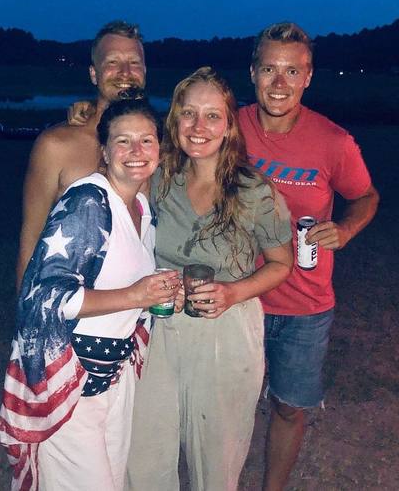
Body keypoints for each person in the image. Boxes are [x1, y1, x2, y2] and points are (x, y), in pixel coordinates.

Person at [125, 67, 294, 491]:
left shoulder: (256, 191)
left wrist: (234, 292)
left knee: (215, 463)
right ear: (174, 119)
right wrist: (88, 114)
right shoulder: (156, 178)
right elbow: (110, 149)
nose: (198, 126)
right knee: (143, 456)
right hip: (157, 327)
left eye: (212, 115)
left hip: (227, 331)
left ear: (229, 125)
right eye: (188, 113)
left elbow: (281, 264)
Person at [0, 99, 180, 491]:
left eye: (146, 140)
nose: (136, 151)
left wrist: (157, 296)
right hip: (71, 379)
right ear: (105, 152)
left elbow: (126, 285)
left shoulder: (141, 207)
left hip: (115, 376)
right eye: (123, 141)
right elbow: (45, 296)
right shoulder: (88, 202)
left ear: (159, 149)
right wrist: (135, 295)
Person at [238, 22, 380, 491]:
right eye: (269, 69)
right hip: (239, 297)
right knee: (228, 403)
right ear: (253, 72)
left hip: (305, 305)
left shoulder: (333, 141)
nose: (279, 83)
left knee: (288, 407)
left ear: (308, 77)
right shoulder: (228, 127)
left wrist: (346, 228)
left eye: (292, 71)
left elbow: (367, 197)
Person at [16, 20, 147, 290]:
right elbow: (30, 240)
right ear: (94, 74)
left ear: (144, 72)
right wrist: (26, 308)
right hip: (72, 304)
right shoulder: (55, 145)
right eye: (112, 62)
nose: (125, 72)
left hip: (140, 303)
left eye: (134, 63)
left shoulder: (158, 148)